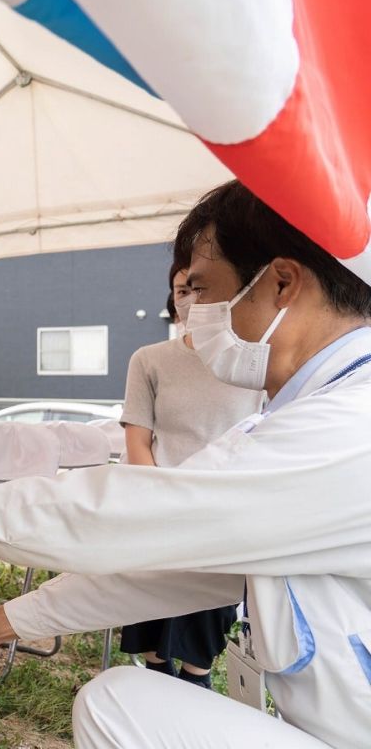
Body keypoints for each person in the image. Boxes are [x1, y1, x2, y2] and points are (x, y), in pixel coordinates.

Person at [0, 180, 371, 748]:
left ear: (282, 282)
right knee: (123, 699)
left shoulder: (348, 425)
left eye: (203, 290)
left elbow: (140, 513)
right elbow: (179, 563)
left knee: (120, 707)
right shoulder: (310, 411)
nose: (192, 314)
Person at [117, 262, 264, 686]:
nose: (192, 298)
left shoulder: (256, 364)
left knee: (207, 613)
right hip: (159, 502)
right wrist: (160, 500)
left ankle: (195, 684)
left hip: (224, 510)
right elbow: (137, 442)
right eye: (183, 289)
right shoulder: (150, 360)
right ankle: (157, 677)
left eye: (202, 288)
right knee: (149, 604)